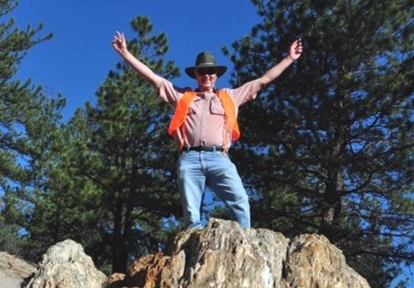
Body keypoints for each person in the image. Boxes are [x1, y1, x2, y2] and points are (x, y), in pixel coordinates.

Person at [111, 31, 303, 229]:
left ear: (217, 75)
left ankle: (245, 241)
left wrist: (289, 58)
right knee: (192, 215)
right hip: (189, 158)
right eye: (202, 72)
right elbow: (154, 78)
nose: (207, 75)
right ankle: (195, 246)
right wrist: (125, 53)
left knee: (241, 202)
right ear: (196, 75)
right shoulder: (183, 96)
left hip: (219, 158)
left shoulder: (230, 96)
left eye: (211, 72)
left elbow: (263, 80)